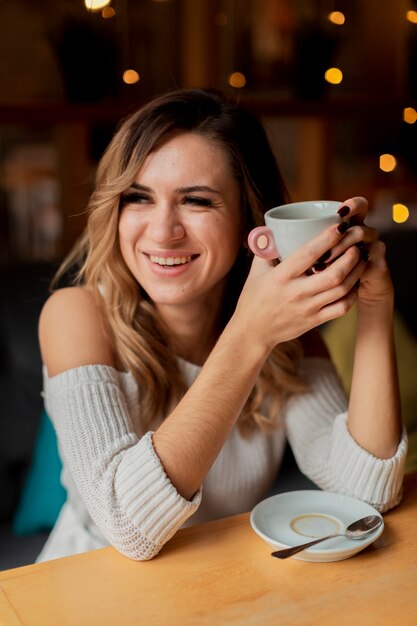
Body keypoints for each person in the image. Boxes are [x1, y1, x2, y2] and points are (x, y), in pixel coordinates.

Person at [37, 88, 407, 562]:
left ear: (250, 221)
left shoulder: (281, 324)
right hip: (86, 592)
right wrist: (251, 334)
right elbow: (125, 524)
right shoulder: (76, 314)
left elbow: (367, 494)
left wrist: (376, 304)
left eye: (196, 200)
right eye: (138, 198)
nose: (162, 230)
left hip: (218, 589)